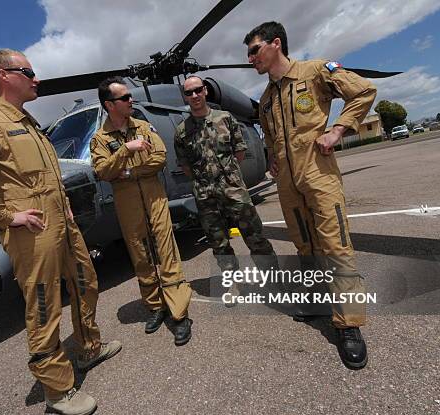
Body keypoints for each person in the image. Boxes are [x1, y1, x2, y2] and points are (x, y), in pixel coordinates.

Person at [0, 49, 121, 415]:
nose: (37, 78)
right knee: (44, 304)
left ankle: (88, 348)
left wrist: (65, 204)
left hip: (63, 222)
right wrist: (6, 215)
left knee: (86, 282)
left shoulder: (31, 123)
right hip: (32, 229)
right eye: (29, 71)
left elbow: (43, 176)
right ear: (4, 75)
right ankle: (56, 388)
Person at [244, 22, 376, 370]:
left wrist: (337, 130)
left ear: (276, 44)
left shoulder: (317, 71)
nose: (250, 58)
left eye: (254, 50)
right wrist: (273, 156)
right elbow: (271, 135)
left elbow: (362, 92)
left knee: (335, 245)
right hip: (288, 182)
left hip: (318, 174)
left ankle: (348, 325)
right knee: (304, 244)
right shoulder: (267, 99)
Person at [90, 77, 193, 346]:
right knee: (140, 253)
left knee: (166, 250)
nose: (130, 100)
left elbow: (159, 159)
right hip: (127, 204)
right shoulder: (100, 139)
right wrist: (125, 150)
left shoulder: (145, 127)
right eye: (124, 98)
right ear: (109, 105)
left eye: (129, 96)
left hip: (154, 196)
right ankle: (156, 306)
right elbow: (102, 171)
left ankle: (179, 312)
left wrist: (126, 172)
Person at [174, 76, 276, 300]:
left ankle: (273, 281)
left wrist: (226, 178)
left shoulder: (226, 118)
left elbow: (238, 154)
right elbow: (186, 166)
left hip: (233, 190)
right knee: (219, 244)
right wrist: (206, 182)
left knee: (255, 236)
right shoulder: (182, 131)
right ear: (185, 96)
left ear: (205, 91)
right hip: (205, 196)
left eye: (198, 90)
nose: (194, 96)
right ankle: (232, 282)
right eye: (189, 93)